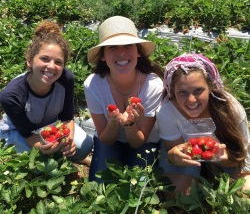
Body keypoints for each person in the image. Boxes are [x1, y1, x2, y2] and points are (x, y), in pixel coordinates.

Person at [83, 15, 164, 182]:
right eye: (112, 47)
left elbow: (138, 142)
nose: (121, 53)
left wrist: (130, 123)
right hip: (111, 141)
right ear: (103, 56)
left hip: (144, 143)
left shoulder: (153, 85)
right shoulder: (93, 85)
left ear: (137, 52)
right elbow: (106, 139)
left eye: (128, 46)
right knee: (100, 185)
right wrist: (113, 124)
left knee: (137, 186)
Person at [156, 53, 250, 194]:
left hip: (229, 157)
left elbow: (241, 159)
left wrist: (223, 159)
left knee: (246, 193)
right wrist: (175, 156)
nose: (192, 100)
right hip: (188, 159)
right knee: (177, 193)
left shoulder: (230, 109)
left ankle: (209, 173)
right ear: (173, 91)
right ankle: (195, 176)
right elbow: (173, 151)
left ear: (211, 86)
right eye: (182, 92)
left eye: (198, 90)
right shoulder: (166, 111)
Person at [0, 20, 93, 162]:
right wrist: (41, 146)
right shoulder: (12, 95)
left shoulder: (66, 79)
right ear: (29, 60)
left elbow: (67, 117)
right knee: (38, 161)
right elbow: (28, 134)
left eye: (58, 62)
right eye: (44, 59)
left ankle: (73, 158)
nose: (51, 66)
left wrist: (68, 140)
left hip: (48, 127)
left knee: (83, 146)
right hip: (17, 132)